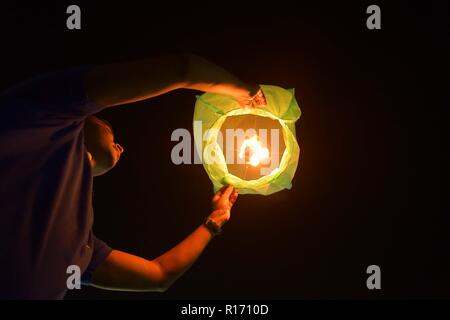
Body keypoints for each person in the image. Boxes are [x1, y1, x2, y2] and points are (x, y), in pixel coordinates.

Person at [0, 54, 261, 299]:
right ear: (88, 119)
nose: (120, 146)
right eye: (112, 134)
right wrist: (245, 92)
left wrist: (214, 221)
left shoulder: (83, 245)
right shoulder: (45, 110)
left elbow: (158, 276)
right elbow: (183, 69)